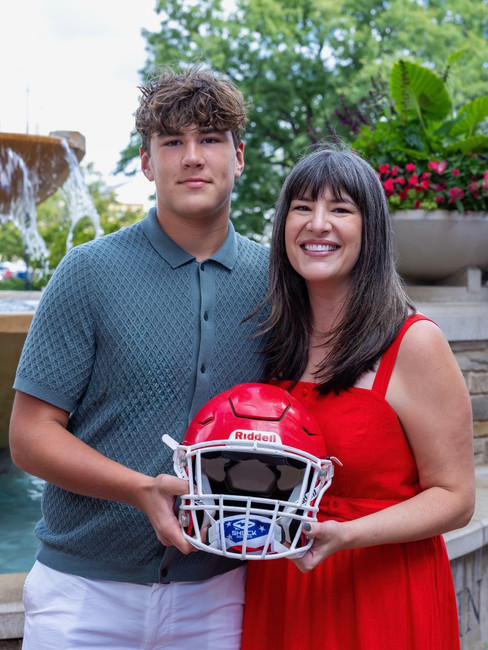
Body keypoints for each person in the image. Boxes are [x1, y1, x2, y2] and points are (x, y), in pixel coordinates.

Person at [9, 66, 270, 650]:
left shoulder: (277, 281)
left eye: (210, 139)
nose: (193, 157)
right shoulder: (88, 271)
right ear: (149, 164)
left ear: (239, 155)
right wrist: (139, 489)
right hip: (83, 594)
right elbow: (29, 436)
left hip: (221, 590)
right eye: (173, 142)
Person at [241, 146, 475, 650]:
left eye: (341, 209)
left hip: (382, 596)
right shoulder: (273, 340)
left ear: (371, 231)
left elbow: (456, 499)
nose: (318, 224)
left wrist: (347, 534)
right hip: (282, 590)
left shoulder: (414, 342)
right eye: (302, 207)